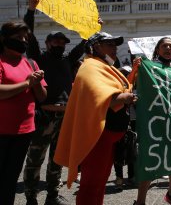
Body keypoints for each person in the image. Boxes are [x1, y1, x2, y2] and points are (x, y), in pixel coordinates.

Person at [54, 32, 137, 205]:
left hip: (108, 137)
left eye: (115, 45)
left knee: (100, 183)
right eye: (110, 44)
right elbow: (98, 98)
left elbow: (117, 89)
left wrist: (130, 82)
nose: (115, 48)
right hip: (96, 137)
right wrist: (125, 98)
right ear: (96, 46)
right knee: (91, 184)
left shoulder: (104, 66)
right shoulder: (91, 66)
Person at [23, 0, 87, 205]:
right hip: (44, 116)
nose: (60, 43)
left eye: (63, 41)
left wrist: (90, 29)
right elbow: (29, 34)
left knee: (57, 159)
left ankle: (52, 195)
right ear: (48, 43)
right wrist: (31, 10)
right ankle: (31, 197)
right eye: (56, 40)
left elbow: (82, 46)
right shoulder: (38, 57)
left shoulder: (68, 61)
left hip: (64, 117)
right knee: (35, 159)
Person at [0, 22, 47, 205]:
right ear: (4, 39)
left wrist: (36, 84)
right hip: (2, 131)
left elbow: (42, 97)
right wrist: (26, 84)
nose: (23, 41)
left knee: (10, 178)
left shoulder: (30, 63)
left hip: (24, 132)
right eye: (19, 38)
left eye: (25, 38)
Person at [134, 37, 171, 205]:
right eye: (165, 46)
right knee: (150, 158)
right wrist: (136, 68)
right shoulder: (148, 67)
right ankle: (140, 201)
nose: (168, 48)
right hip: (154, 120)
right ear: (157, 49)